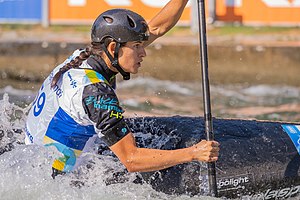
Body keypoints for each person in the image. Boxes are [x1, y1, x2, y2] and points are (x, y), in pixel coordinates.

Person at [25, 0, 219, 178]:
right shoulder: (96, 93)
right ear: (112, 48)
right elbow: (132, 160)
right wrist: (193, 153)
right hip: (54, 180)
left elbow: (157, 28)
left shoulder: (84, 57)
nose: (143, 53)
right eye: (137, 46)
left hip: (31, 156)